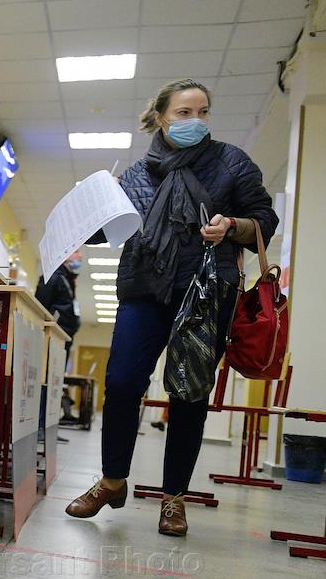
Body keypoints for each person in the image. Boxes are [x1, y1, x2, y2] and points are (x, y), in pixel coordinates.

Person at [64, 79, 278, 536]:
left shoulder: (231, 162)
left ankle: (174, 498)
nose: (195, 120)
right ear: (160, 117)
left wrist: (232, 224)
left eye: (203, 112)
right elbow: (107, 233)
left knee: (189, 392)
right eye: (184, 113)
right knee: (122, 382)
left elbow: (265, 219)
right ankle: (112, 481)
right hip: (144, 287)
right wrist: (91, 206)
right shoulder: (136, 176)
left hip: (206, 292)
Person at [36, 252, 82, 428]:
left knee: (54, 383)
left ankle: (48, 426)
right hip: (52, 338)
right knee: (46, 381)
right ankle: (40, 426)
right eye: (76, 252)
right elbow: (41, 308)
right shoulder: (53, 277)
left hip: (63, 339)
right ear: (64, 254)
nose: (80, 257)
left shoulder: (67, 279)